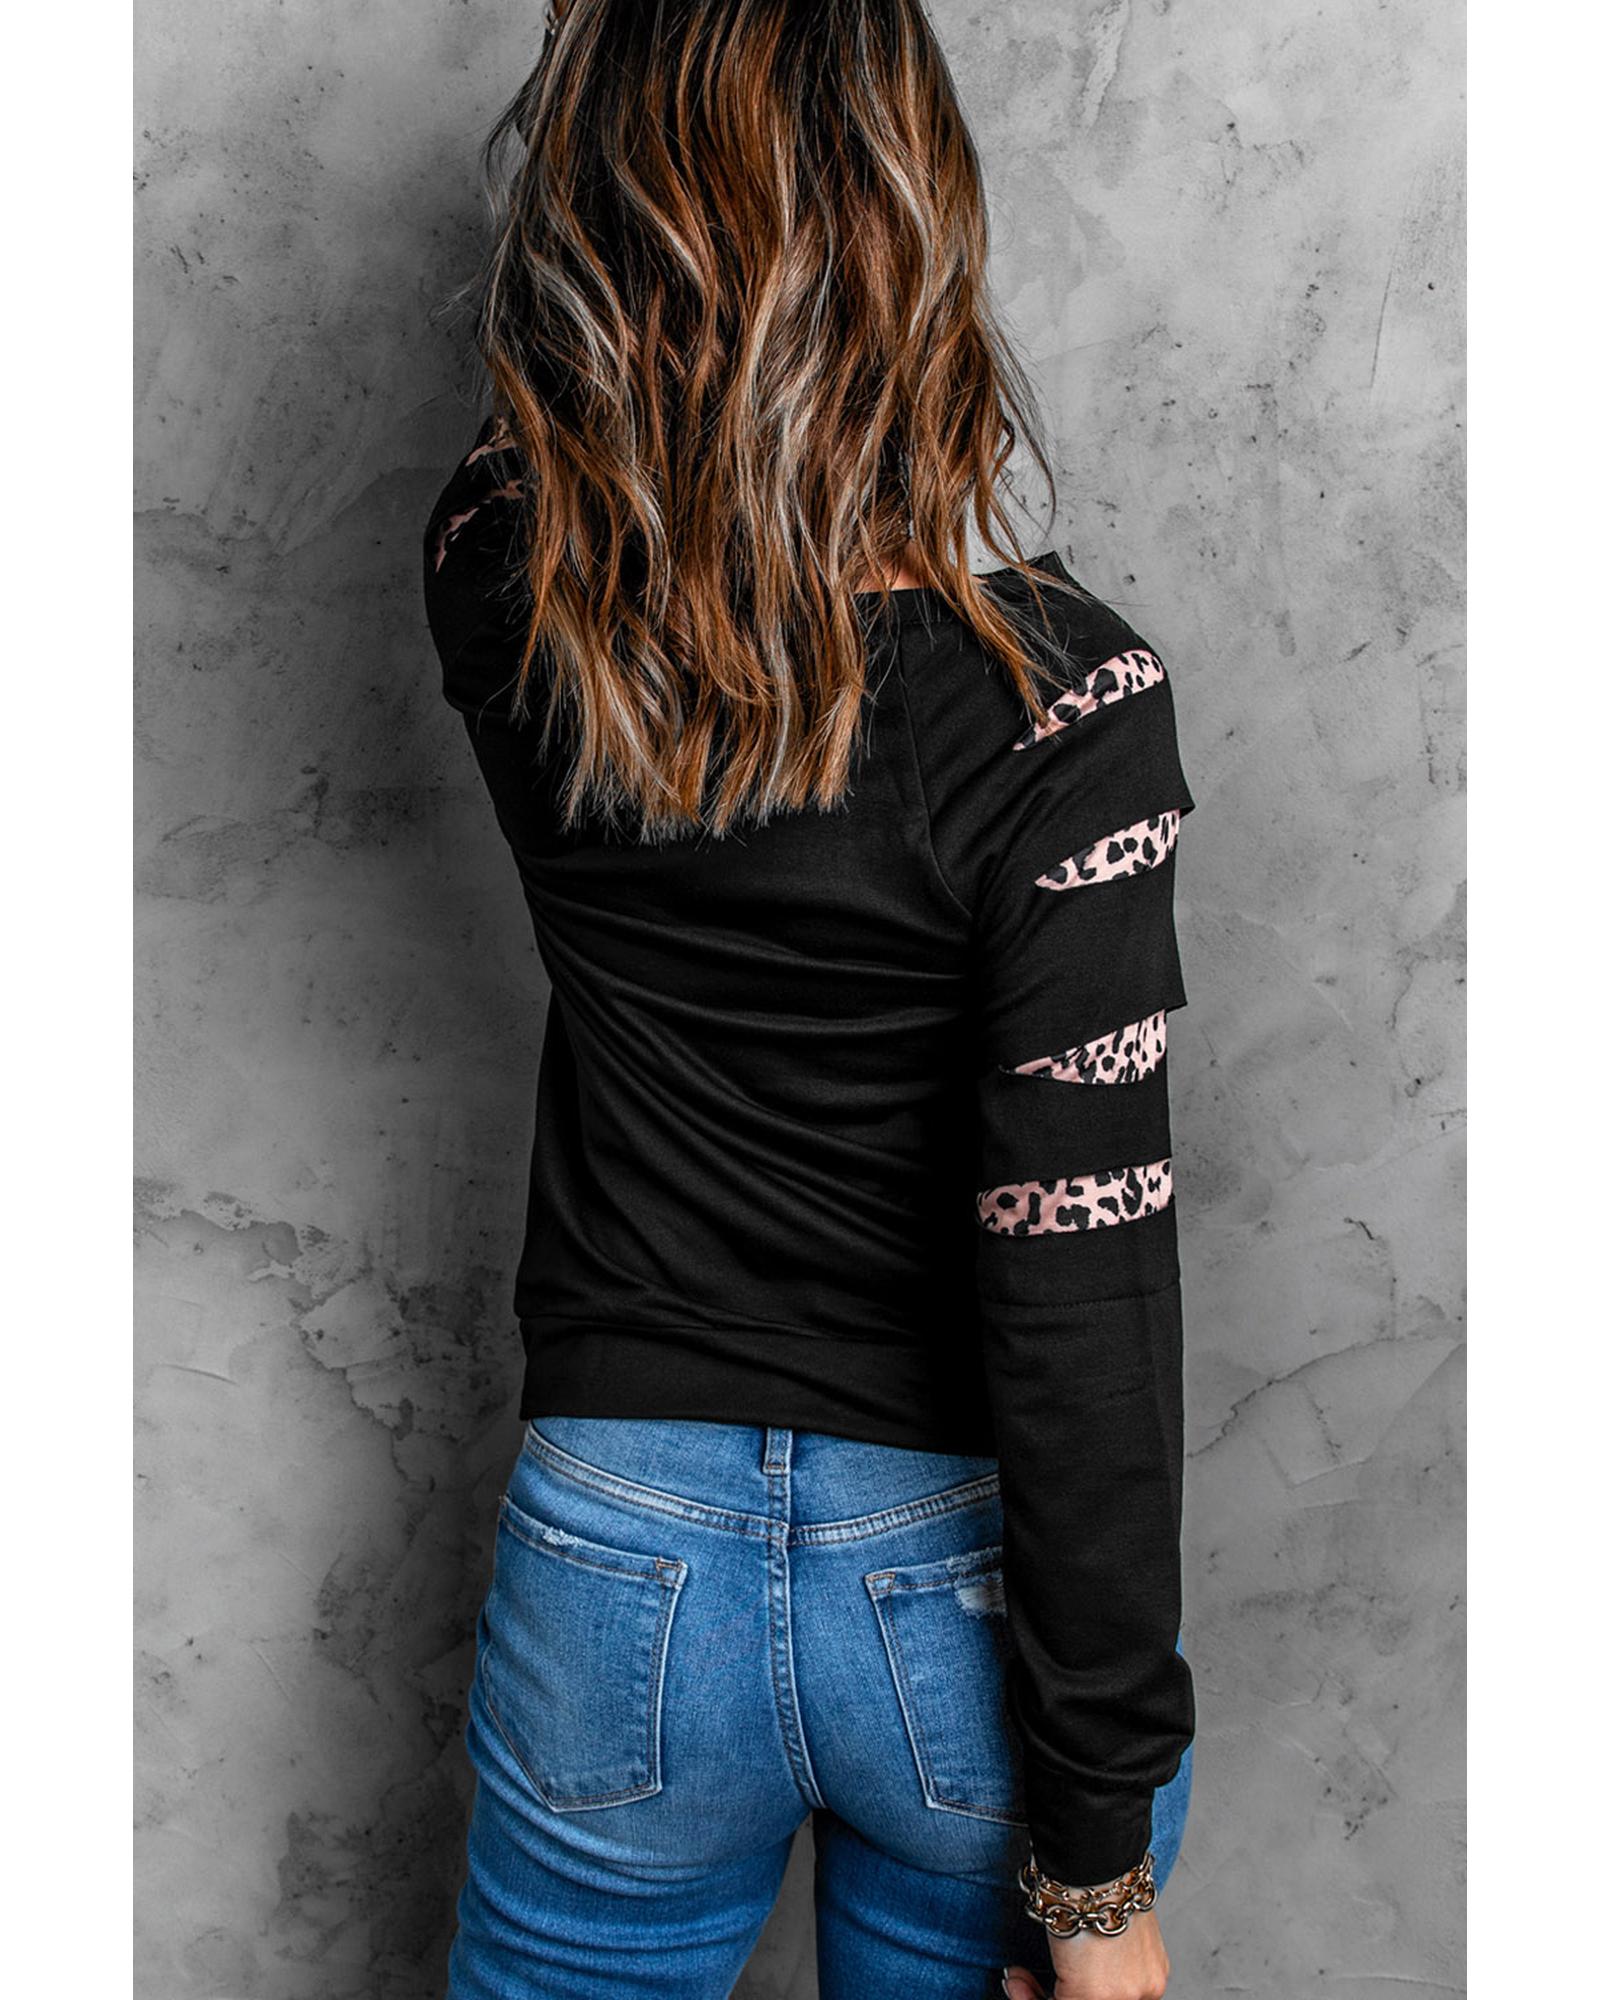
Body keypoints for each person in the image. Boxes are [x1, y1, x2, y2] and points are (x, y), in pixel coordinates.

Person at [421, 4, 1198, 1996]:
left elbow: (571, 452)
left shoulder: (498, 580)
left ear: (593, 223)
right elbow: (1081, 1288)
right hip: (957, 1584)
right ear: (918, 231)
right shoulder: (1067, 713)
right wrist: (1097, 1877)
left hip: (616, 1548)